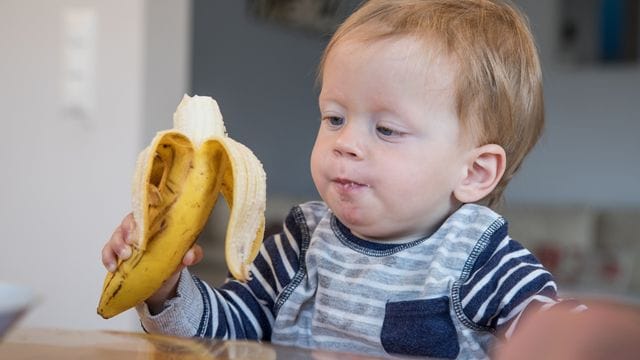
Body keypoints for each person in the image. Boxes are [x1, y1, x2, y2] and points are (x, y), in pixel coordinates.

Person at [102, 0, 563, 358]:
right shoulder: (299, 246)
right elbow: (227, 332)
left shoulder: (480, 261)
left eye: (386, 129)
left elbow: (570, 339)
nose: (346, 143)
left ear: (474, 172)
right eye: (335, 118)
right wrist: (165, 287)